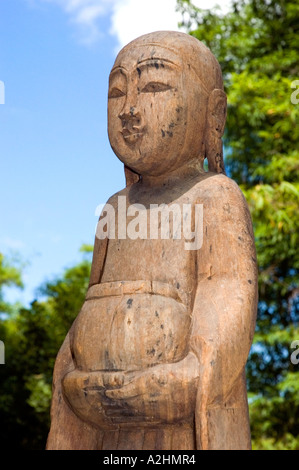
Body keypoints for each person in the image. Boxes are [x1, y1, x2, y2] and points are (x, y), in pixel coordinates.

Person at [47, 31, 257, 450]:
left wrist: (195, 372)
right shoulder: (114, 208)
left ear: (213, 113)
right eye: (117, 93)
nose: (129, 110)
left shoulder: (215, 196)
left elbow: (229, 291)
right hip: (100, 415)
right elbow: (94, 301)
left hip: (179, 423)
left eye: (155, 87)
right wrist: (70, 366)